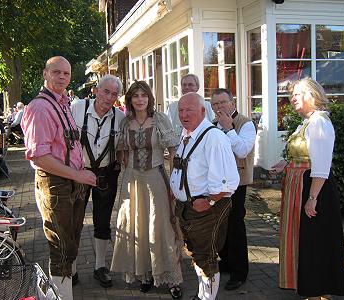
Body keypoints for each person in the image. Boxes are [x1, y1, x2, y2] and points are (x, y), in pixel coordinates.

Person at [21, 56, 96, 300]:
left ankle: (62, 293)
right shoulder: (39, 108)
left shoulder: (63, 103)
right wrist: (78, 175)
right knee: (62, 249)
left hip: (71, 183)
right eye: (57, 72)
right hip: (55, 184)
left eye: (66, 73)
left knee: (71, 243)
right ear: (45, 73)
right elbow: (39, 157)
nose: (62, 77)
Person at [270, 78, 344, 299]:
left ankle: (319, 291)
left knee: (315, 241)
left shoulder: (319, 123)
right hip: (301, 185)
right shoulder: (307, 122)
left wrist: (312, 197)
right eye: (292, 94)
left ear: (312, 96)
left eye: (298, 93)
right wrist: (287, 164)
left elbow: (321, 165)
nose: (292, 97)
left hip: (314, 188)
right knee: (306, 240)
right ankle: (310, 286)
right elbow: (305, 155)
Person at [111, 80, 183, 299]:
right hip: (132, 180)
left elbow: (172, 151)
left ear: (149, 98)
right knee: (136, 226)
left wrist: (174, 182)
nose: (140, 99)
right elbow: (121, 152)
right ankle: (145, 275)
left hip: (156, 178)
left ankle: (172, 277)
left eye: (143, 95)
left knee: (161, 226)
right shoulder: (125, 123)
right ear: (130, 100)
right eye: (135, 96)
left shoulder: (160, 119)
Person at [170, 92, 240, 300]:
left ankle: (206, 298)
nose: (183, 114)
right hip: (188, 207)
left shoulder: (214, 137)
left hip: (206, 208)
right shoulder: (186, 134)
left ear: (202, 111)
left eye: (189, 110)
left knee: (206, 257)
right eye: (181, 110)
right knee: (196, 253)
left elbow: (229, 181)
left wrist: (209, 201)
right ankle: (202, 296)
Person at [71, 74, 125, 287]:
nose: (109, 97)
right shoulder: (77, 108)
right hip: (78, 172)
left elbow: (124, 147)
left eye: (114, 94)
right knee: (74, 220)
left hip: (106, 173)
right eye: (106, 91)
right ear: (96, 90)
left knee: (103, 221)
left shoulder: (120, 118)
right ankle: (72, 268)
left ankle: (100, 266)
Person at [210, 88, 256, 290]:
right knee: (220, 224)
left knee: (235, 225)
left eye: (223, 102)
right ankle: (226, 262)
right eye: (215, 104)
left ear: (233, 103)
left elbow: (243, 150)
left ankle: (239, 272)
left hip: (237, 182)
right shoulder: (212, 125)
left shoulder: (245, 123)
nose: (219, 107)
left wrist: (229, 129)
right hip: (216, 182)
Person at [166, 74, 215, 144]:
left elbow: (211, 125)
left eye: (190, 85)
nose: (187, 87)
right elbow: (168, 131)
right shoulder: (172, 107)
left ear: (197, 87)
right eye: (184, 85)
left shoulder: (207, 105)